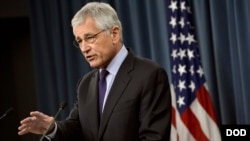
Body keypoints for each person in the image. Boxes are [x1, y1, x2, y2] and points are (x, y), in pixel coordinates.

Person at [18, 2, 172, 141]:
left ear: (114, 34)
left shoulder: (149, 74)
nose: (84, 48)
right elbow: (77, 129)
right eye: (79, 41)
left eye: (90, 37)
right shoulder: (85, 84)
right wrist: (52, 128)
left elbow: (154, 137)